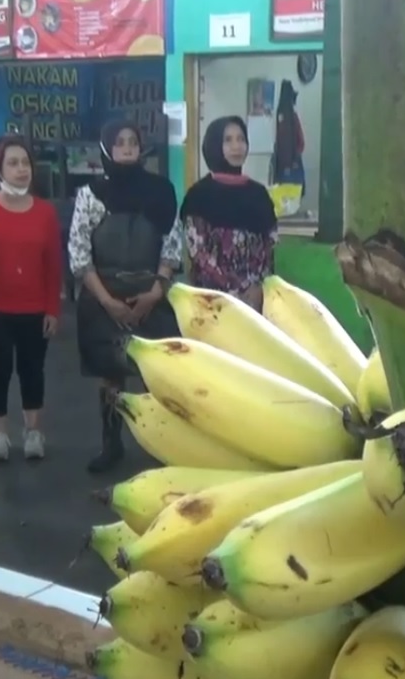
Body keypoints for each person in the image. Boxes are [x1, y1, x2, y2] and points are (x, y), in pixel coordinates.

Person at [67, 119, 182, 473]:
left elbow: (173, 245)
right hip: (105, 298)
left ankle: (161, 445)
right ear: (106, 150)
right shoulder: (89, 194)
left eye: (133, 141)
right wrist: (106, 300)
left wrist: (154, 292)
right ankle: (111, 443)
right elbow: (79, 253)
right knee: (111, 375)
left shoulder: (161, 191)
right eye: (119, 143)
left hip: (151, 296)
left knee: (157, 374)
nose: (128, 148)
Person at [0, 135, 62, 463]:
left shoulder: (46, 213)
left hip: (35, 310)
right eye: (13, 163)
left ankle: (34, 431)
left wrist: (53, 308)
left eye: (26, 163)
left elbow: (53, 266)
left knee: (33, 371)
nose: (22, 169)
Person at [183, 116, 278, 311]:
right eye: (228, 140)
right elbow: (198, 252)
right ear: (214, 145)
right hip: (212, 300)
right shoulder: (199, 195)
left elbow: (269, 245)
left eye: (241, 139)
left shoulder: (258, 194)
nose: (237, 146)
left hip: (255, 299)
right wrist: (233, 290)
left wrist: (258, 287)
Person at [271, 79, 306, 197]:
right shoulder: (292, 116)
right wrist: (295, 158)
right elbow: (301, 140)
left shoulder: (279, 114)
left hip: (281, 165)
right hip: (292, 162)